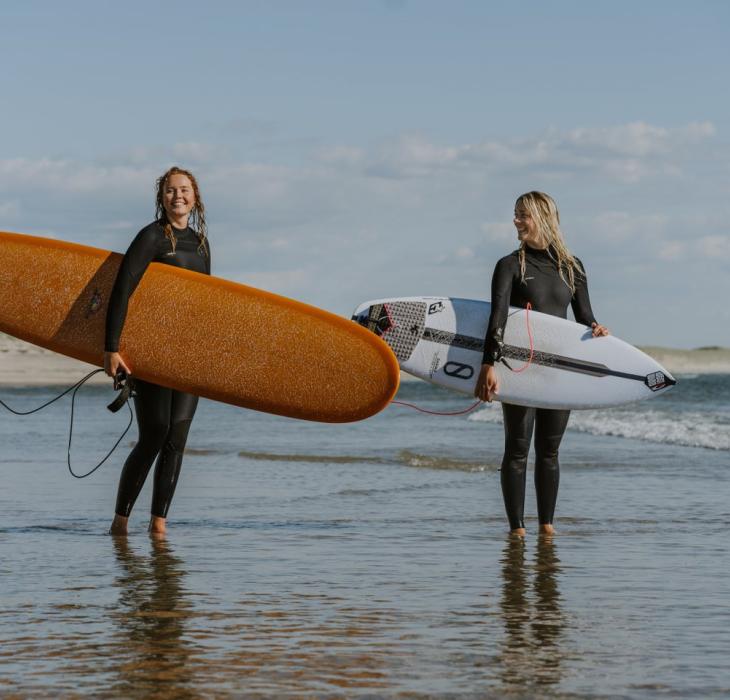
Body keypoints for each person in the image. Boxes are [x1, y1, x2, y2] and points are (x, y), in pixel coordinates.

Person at [474, 191, 609, 537]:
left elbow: (584, 316)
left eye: (523, 215)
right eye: (516, 214)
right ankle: (517, 529)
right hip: (520, 369)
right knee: (517, 448)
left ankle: (547, 526)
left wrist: (596, 328)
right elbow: (497, 317)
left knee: (549, 450)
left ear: (543, 218)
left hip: (558, 370)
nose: (516, 220)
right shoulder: (510, 265)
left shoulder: (572, 267)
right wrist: (489, 364)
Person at [105, 166, 211, 537]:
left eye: (184, 189)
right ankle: (120, 523)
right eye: (170, 190)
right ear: (161, 198)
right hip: (152, 349)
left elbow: (206, 303)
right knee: (154, 433)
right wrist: (112, 348)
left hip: (189, 354)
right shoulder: (151, 237)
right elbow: (122, 290)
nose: (177, 195)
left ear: (194, 197)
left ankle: (159, 526)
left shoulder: (200, 244)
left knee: (177, 438)